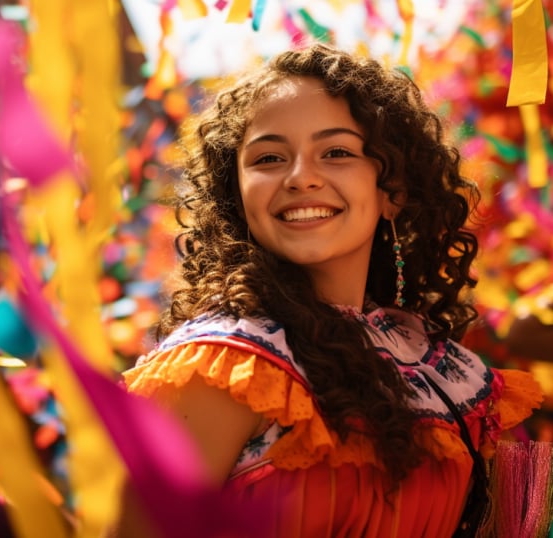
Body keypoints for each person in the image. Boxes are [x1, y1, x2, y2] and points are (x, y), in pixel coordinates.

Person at [122, 44, 542, 537]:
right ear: (236, 195)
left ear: (393, 192)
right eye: (269, 157)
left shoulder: (447, 373)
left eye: (337, 152)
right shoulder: (225, 367)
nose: (301, 178)